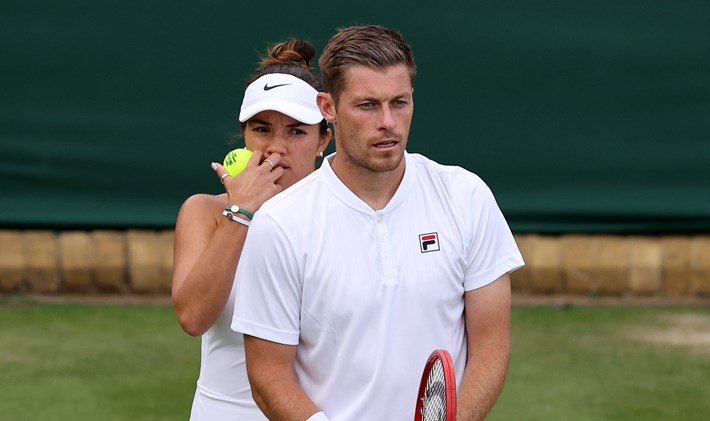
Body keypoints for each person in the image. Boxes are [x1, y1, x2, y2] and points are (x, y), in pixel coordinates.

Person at [231, 25, 524, 421]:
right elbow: (268, 374)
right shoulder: (281, 224)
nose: (388, 121)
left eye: (399, 102)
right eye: (367, 105)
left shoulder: (466, 196)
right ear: (328, 108)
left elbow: (491, 346)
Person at [171, 39, 331, 420]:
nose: (276, 148)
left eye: (296, 132)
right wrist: (240, 213)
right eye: (262, 130)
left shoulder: (342, 216)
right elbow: (193, 317)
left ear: (324, 139)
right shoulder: (204, 212)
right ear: (244, 136)